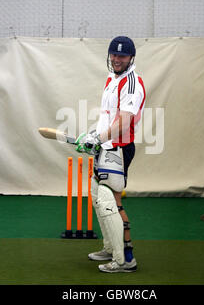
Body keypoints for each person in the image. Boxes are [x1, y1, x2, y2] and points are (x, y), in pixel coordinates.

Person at [75, 36, 146, 273]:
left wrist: (98, 138)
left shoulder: (132, 84)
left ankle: (125, 259)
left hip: (119, 149)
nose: (116, 59)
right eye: (114, 55)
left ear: (131, 58)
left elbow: (124, 124)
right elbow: (108, 116)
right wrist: (92, 134)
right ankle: (111, 247)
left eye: (122, 56)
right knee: (98, 196)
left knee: (111, 202)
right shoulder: (112, 78)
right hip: (106, 146)